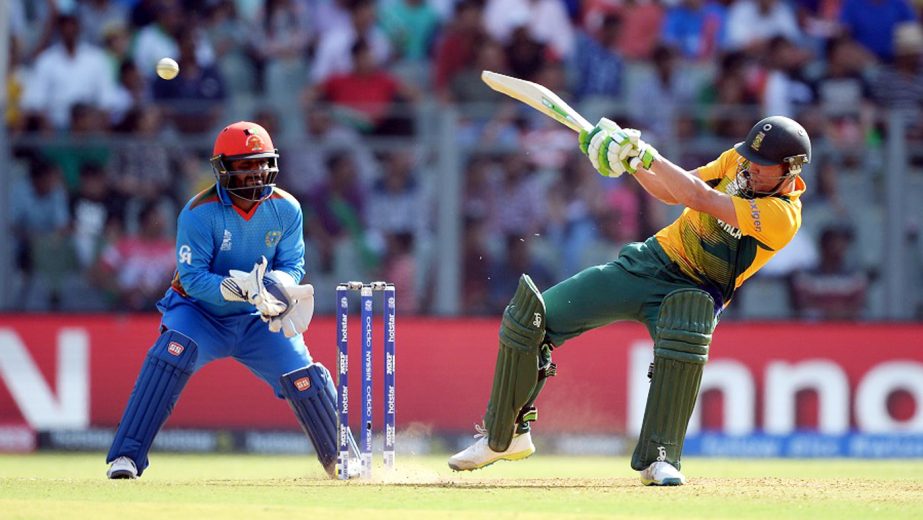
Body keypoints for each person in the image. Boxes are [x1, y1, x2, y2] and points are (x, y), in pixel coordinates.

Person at [448, 115, 811, 486]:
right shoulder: (737, 160)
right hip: (651, 262)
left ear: (789, 170)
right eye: (750, 158)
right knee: (532, 317)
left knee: (681, 345)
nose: (750, 167)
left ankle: (661, 459)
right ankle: (504, 436)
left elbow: (698, 197)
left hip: (697, 290)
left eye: (762, 165)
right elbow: (674, 190)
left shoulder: (782, 216)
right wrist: (632, 163)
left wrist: (647, 154)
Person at [106, 121, 357, 479]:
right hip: (199, 314)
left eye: (261, 164)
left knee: (305, 377)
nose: (256, 174)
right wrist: (237, 288)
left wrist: (275, 288)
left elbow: (292, 263)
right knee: (170, 355)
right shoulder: (199, 212)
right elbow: (192, 280)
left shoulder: (287, 208)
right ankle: (126, 457)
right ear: (223, 168)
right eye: (245, 166)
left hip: (259, 318)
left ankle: (343, 460)